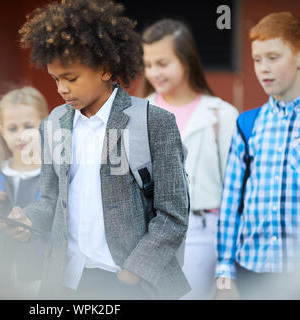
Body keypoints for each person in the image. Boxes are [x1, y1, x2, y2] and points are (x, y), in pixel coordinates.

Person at [3, 0, 190, 300]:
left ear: (104, 69)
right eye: (55, 79)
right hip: (67, 281)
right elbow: (51, 200)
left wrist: (134, 271)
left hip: (127, 281)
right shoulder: (52, 124)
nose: (61, 89)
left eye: (71, 78)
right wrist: (27, 219)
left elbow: (174, 214)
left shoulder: (154, 122)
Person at [141, 19, 239, 299]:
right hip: (150, 232)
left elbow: (235, 192)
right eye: (148, 64)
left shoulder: (221, 114)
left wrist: (227, 265)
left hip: (203, 233)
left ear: (186, 60)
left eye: (163, 63)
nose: (154, 72)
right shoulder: (137, 112)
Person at [215, 12, 300, 300]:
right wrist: (225, 276)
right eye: (257, 59)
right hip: (252, 270)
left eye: (273, 57)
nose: (263, 68)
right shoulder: (248, 124)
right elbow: (231, 204)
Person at [0, 86, 48, 299]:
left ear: (45, 124)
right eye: (12, 129)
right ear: (2, 130)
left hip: (39, 281)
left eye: (29, 126)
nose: (21, 136)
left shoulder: (54, 177)